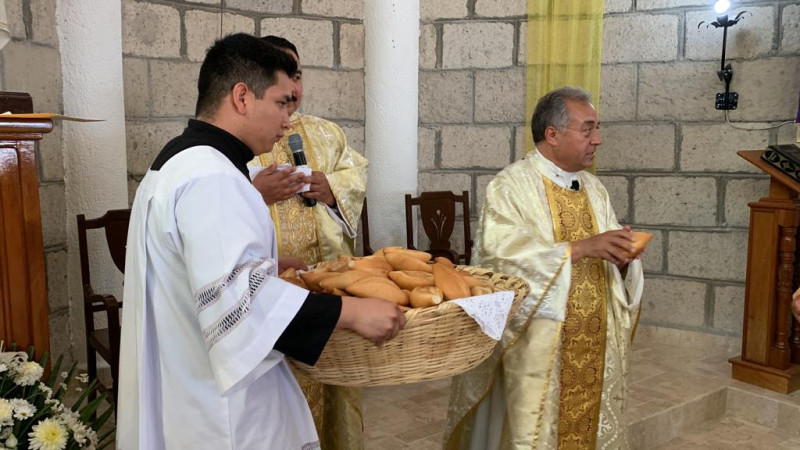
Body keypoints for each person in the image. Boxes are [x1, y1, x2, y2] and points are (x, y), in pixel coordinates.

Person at [116, 33, 405, 450]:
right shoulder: (214, 177)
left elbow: (199, 273)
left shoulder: (179, 161)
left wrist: (269, 262)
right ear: (242, 97)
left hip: (183, 378)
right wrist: (350, 311)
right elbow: (242, 307)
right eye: (281, 102)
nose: (289, 121)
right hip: (221, 409)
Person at [444, 87, 645, 449]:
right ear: (552, 134)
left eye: (597, 129)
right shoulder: (511, 185)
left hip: (595, 344)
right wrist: (580, 248)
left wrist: (624, 261)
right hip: (540, 350)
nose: (597, 139)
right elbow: (499, 260)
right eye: (587, 129)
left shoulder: (595, 189)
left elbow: (608, 257)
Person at [248, 35, 368, 450]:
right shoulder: (238, 137)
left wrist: (332, 187)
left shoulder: (325, 133)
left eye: (297, 76)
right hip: (267, 290)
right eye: (285, 79)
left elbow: (357, 174)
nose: (294, 89)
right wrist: (254, 189)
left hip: (325, 281)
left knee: (331, 387)